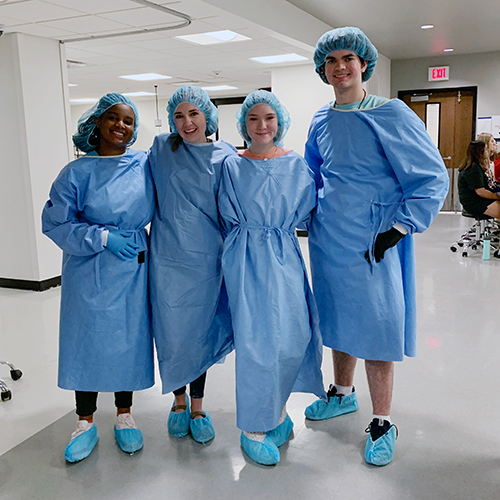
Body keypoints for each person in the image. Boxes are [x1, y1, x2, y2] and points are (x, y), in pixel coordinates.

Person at [303, 27, 449, 466]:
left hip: (375, 241)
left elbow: (431, 177)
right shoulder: (320, 120)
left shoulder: (391, 113)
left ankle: (383, 420)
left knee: (377, 327)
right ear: (323, 70)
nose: (340, 67)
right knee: (338, 318)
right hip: (329, 239)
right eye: (331, 61)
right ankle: (342, 393)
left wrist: (399, 229)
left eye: (348, 58)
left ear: (364, 63)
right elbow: (313, 176)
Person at [42, 93, 155, 463]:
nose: (120, 126)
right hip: (89, 266)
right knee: (86, 339)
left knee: (129, 337)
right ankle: (85, 421)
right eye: (113, 118)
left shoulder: (144, 164)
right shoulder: (76, 172)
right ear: (96, 123)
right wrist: (102, 237)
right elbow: (56, 222)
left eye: (128, 121)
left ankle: (124, 415)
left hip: (134, 266)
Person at [218, 90, 325, 466]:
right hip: (245, 257)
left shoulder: (296, 165)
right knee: (256, 343)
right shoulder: (231, 166)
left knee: (291, 336)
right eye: (253, 119)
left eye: (269, 118)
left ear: (280, 122)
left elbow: (313, 213)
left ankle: (275, 411)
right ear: (243, 124)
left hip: (284, 256)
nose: (262, 126)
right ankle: (252, 427)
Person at [148, 86, 236, 444]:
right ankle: (178, 402)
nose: (187, 122)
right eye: (179, 115)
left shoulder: (225, 156)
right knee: (172, 333)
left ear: (208, 116)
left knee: (200, 333)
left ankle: (198, 406)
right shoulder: (161, 150)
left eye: (194, 114)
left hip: (207, 260)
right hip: (167, 259)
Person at [458, 140, 500, 218]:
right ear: (480, 152)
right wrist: (497, 197)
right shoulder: (473, 169)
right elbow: (481, 192)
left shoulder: (476, 166)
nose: (488, 152)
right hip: (475, 202)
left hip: (478, 199)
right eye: (486, 150)